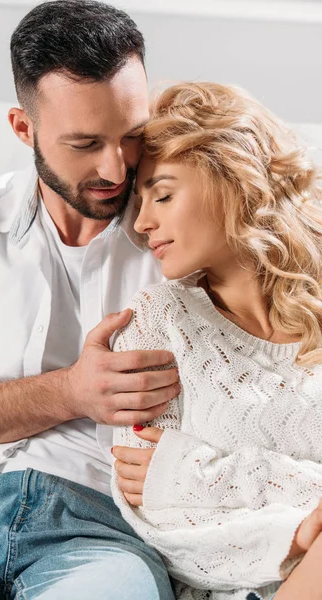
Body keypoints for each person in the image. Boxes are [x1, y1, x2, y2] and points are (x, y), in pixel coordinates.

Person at [0, 1, 180, 598]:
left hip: (96, 529)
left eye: (133, 136)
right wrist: (71, 392)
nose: (116, 167)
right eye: (85, 143)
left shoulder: (182, 233)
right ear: (23, 128)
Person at [111, 81, 322, 600]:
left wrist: (208, 475)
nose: (142, 223)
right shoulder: (157, 321)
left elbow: (171, 482)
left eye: (162, 194)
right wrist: (296, 535)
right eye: (140, 202)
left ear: (233, 179)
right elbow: (156, 523)